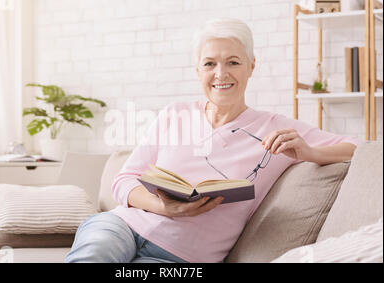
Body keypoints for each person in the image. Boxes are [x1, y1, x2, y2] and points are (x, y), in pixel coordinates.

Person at [64, 18, 360, 263]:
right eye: (209, 64)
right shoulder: (175, 114)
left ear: (251, 66)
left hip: (180, 257)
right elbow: (124, 179)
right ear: (198, 71)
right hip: (121, 227)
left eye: (233, 62)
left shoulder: (275, 127)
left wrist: (309, 153)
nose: (221, 74)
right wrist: (164, 207)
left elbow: (358, 147)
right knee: (95, 254)